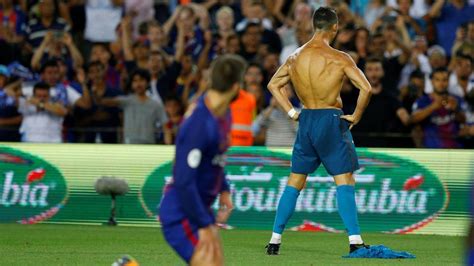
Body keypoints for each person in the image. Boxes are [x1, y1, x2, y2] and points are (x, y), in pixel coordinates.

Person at [265, 7, 372, 255]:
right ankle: (355, 241)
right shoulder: (340, 57)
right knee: (344, 180)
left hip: (307, 120)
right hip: (331, 119)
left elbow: (273, 85)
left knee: (295, 181)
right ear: (334, 27)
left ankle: (274, 241)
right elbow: (366, 88)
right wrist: (355, 116)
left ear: (314, 26)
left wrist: (293, 113)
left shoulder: (295, 57)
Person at [158, 54, 246, 265]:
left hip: (199, 209)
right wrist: (205, 225)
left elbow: (216, 158)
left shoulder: (223, 114)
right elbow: (183, 180)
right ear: (236, 87)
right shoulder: (199, 123)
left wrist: (224, 189)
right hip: (182, 213)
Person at [95, 68, 167, 144]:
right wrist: (96, 93)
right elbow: (104, 102)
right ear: (131, 84)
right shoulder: (127, 101)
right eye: (135, 81)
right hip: (129, 145)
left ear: (147, 82)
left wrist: (167, 143)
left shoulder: (155, 104)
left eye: (141, 80)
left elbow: (165, 123)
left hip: (148, 145)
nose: (138, 84)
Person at [411, 67, 466, 148]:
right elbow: (412, 119)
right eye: (437, 80)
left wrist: (456, 109)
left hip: (455, 149)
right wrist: (433, 106)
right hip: (433, 150)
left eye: (444, 80)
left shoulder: (456, 99)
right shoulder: (423, 101)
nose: (441, 83)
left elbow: (464, 120)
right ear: (432, 81)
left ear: (448, 81)